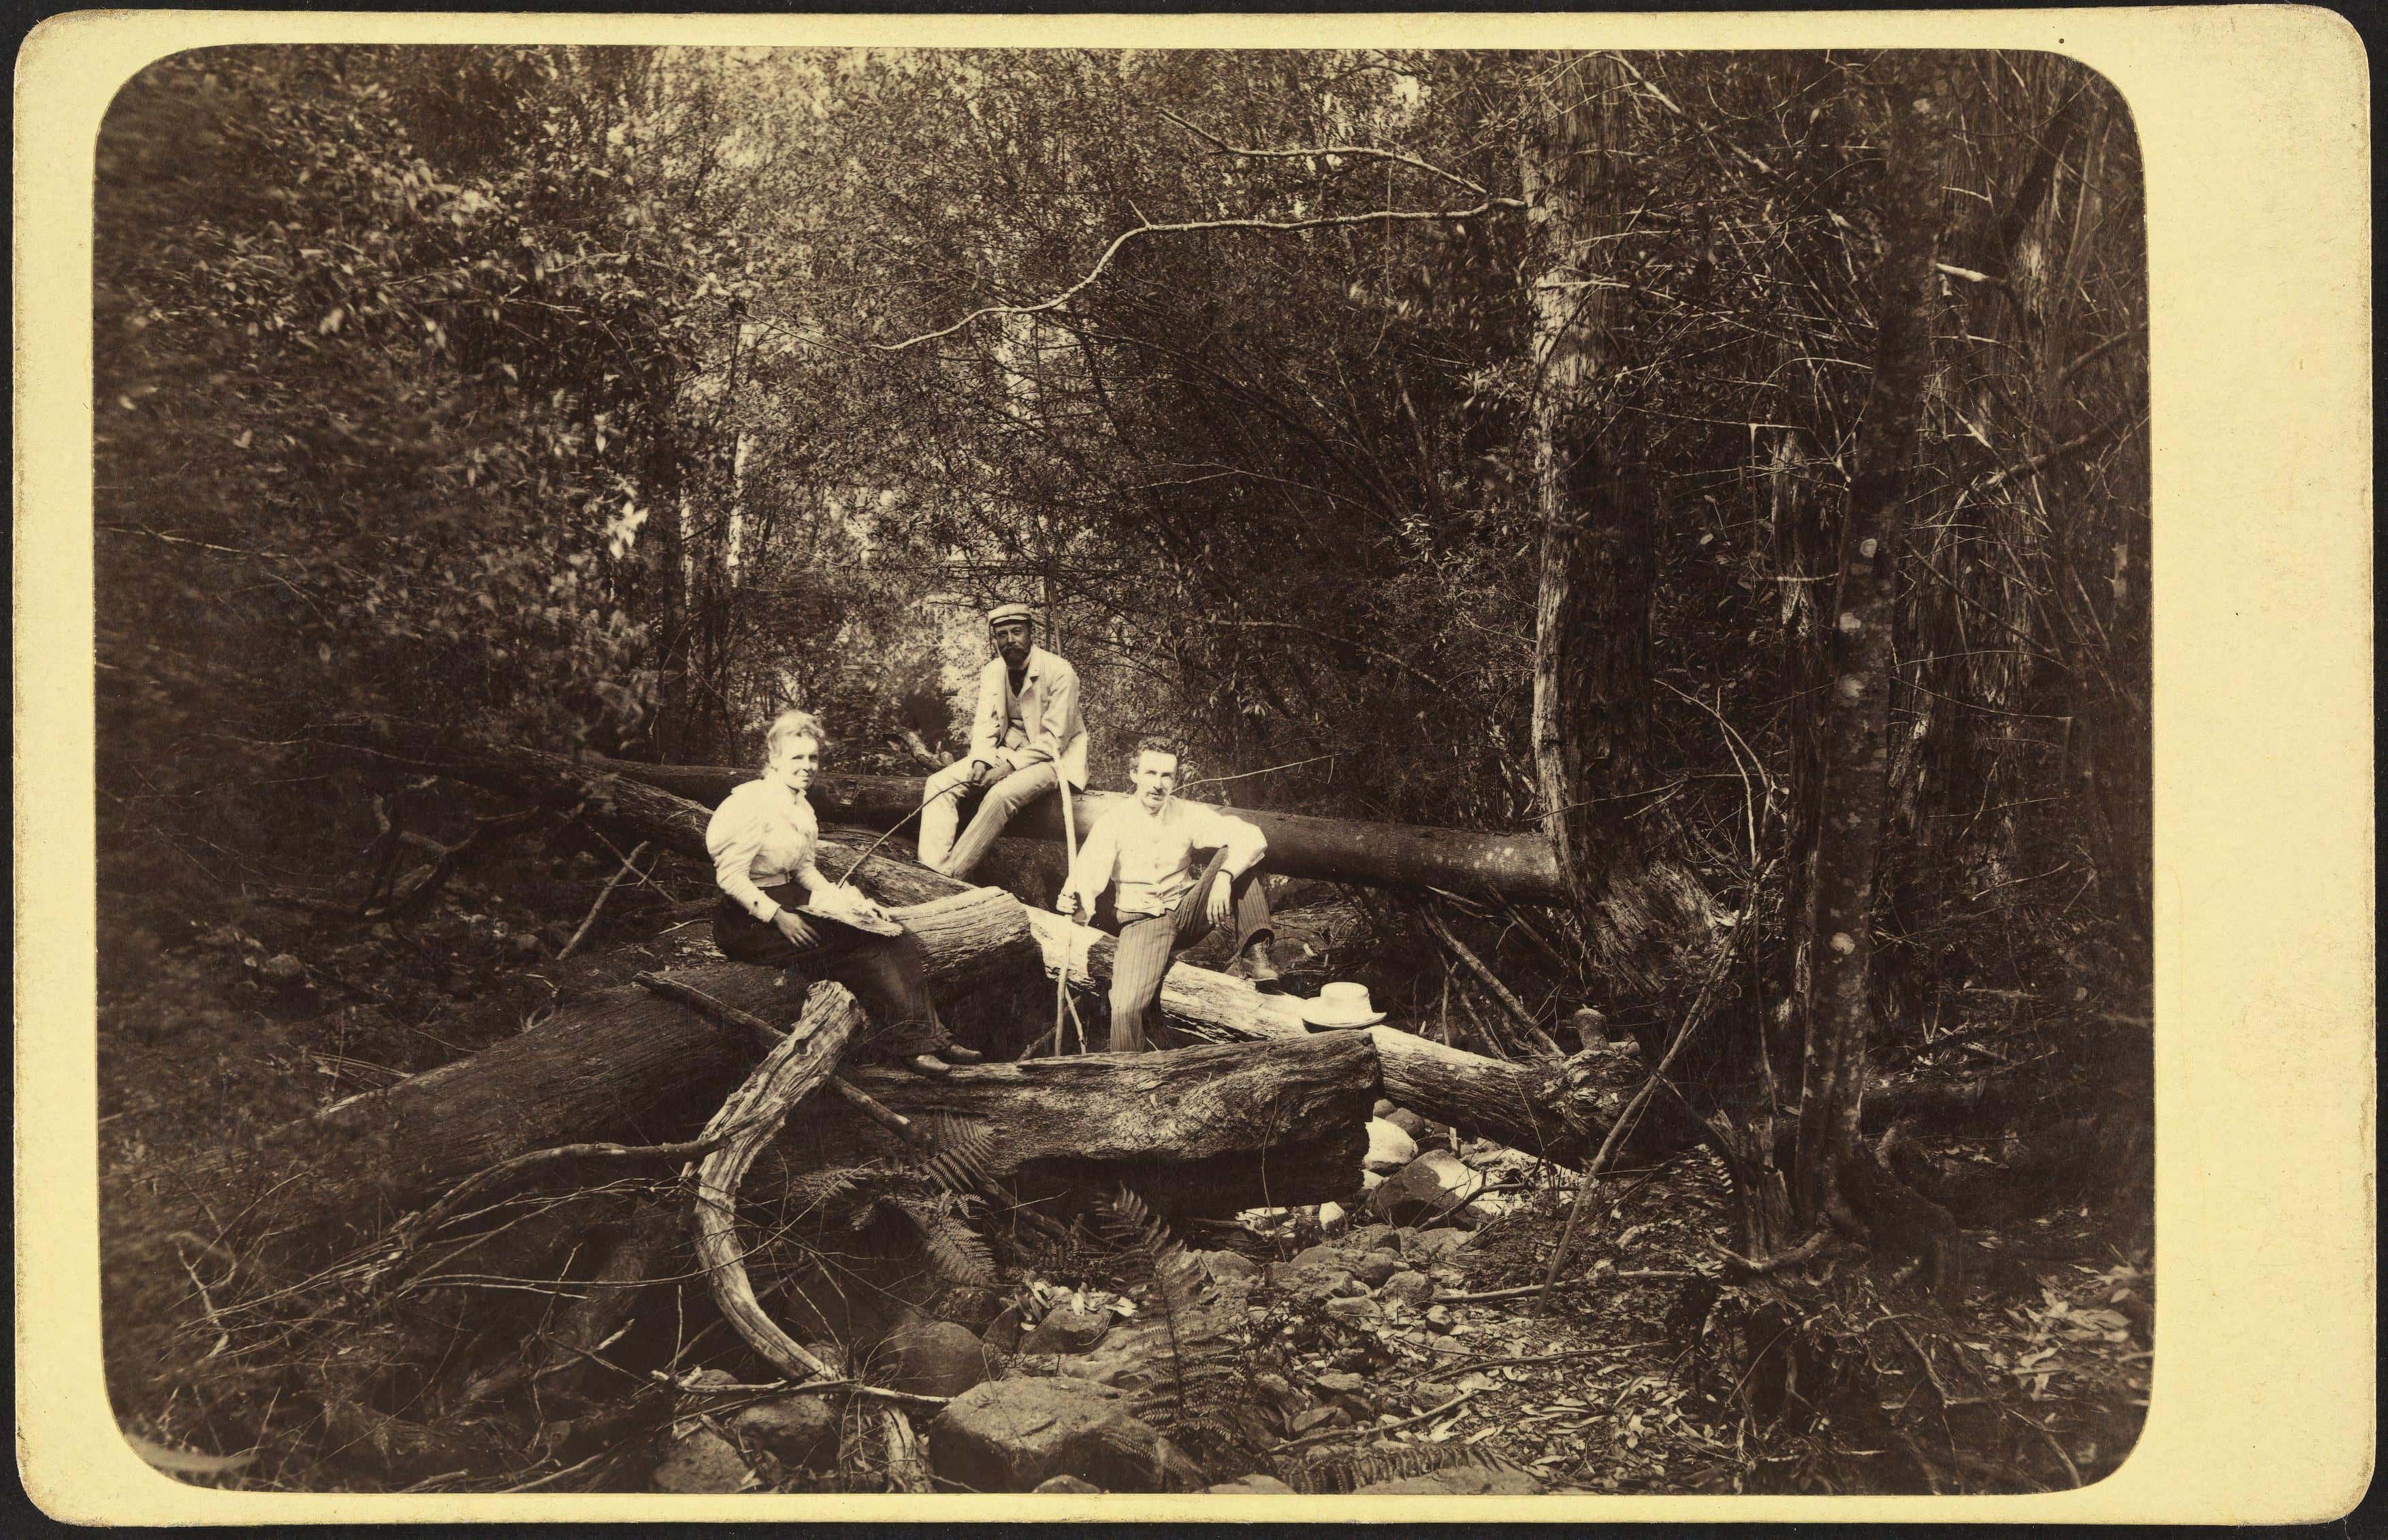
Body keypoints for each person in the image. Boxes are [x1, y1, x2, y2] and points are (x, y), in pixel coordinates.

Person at [709, 708, 981, 1077]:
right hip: (748, 921)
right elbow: (730, 878)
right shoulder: (751, 803)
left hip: (789, 898)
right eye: (797, 758)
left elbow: (805, 871)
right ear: (774, 759)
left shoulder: (801, 806)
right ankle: (910, 1047)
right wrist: (778, 916)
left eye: (813, 758)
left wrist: (853, 904)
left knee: (895, 934)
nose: (807, 766)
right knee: (865, 946)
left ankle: (936, 1038)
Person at [1057, 736, 1282, 1053]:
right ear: (1134, 774)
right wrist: (1076, 899)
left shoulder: (1186, 812)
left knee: (1237, 855)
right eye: (1151, 774)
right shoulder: (1114, 822)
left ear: (1175, 779)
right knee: (1124, 1009)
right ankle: (1128, 1080)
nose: (1158, 785)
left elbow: (1252, 837)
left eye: (1167, 776)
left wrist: (1224, 876)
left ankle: (1254, 953)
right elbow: (1088, 876)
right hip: (1145, 922)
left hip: (1189, 910)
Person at [918, 602, 1088, 879]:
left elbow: (1054, 741)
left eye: (1017, 632)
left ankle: (948, 876)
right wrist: (981, 761)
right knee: (939, 783)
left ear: (1031, 633)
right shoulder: (993, 671)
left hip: (1053, 760)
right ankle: (929, 869)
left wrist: (1007, 768)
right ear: (994, 638)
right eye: (1002, 635)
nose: (1010, 641)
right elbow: (987, 724)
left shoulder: (1061, 671)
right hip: (1007, 749)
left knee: (1000, 795)